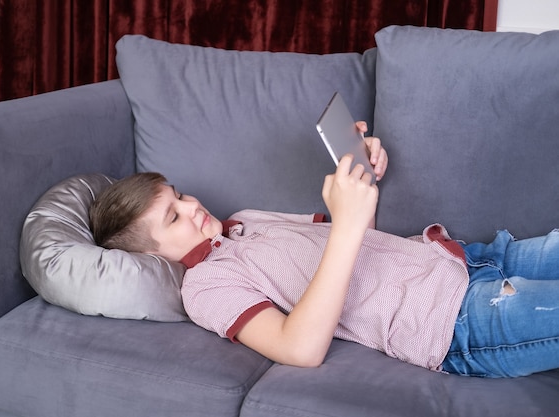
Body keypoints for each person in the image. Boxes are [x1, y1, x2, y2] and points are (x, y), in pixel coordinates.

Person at [89, 123, 559, 378]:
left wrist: (360, 171)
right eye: (173, 217)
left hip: (461, 258)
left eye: (179, 195)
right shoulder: (206, 286)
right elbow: (300, 348)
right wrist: (348, 226)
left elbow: (356, 243)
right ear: (152, 256)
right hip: (452, 320)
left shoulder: (244, 221)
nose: (191, 207)